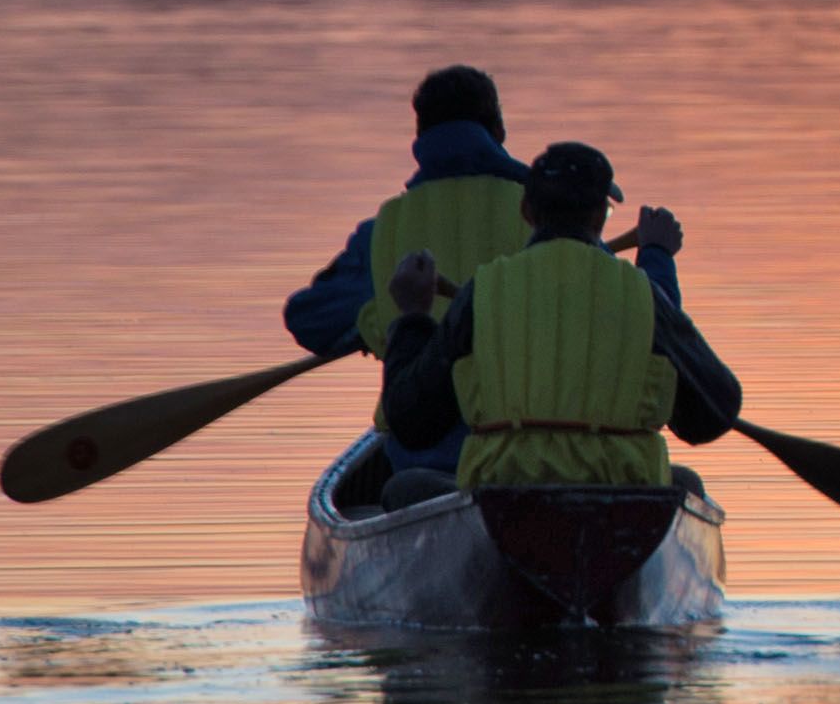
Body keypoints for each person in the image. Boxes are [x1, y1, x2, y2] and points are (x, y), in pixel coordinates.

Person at [369, 140, 749, 616]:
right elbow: (714, 414)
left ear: (527, 211)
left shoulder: (482, 292)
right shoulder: (643, 295)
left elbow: (411, 420)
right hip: (622, 506)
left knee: (402, 490)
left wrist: (412, 318)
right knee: (685, 483)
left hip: (503, 505)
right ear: (600, 219)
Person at [287, 67, 537, 395]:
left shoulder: (381, 231)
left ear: (418, 139)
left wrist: (375, 324)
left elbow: (309, 318)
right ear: (499, 132)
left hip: (421, 433)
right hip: (519, 421)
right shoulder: (543, 216)